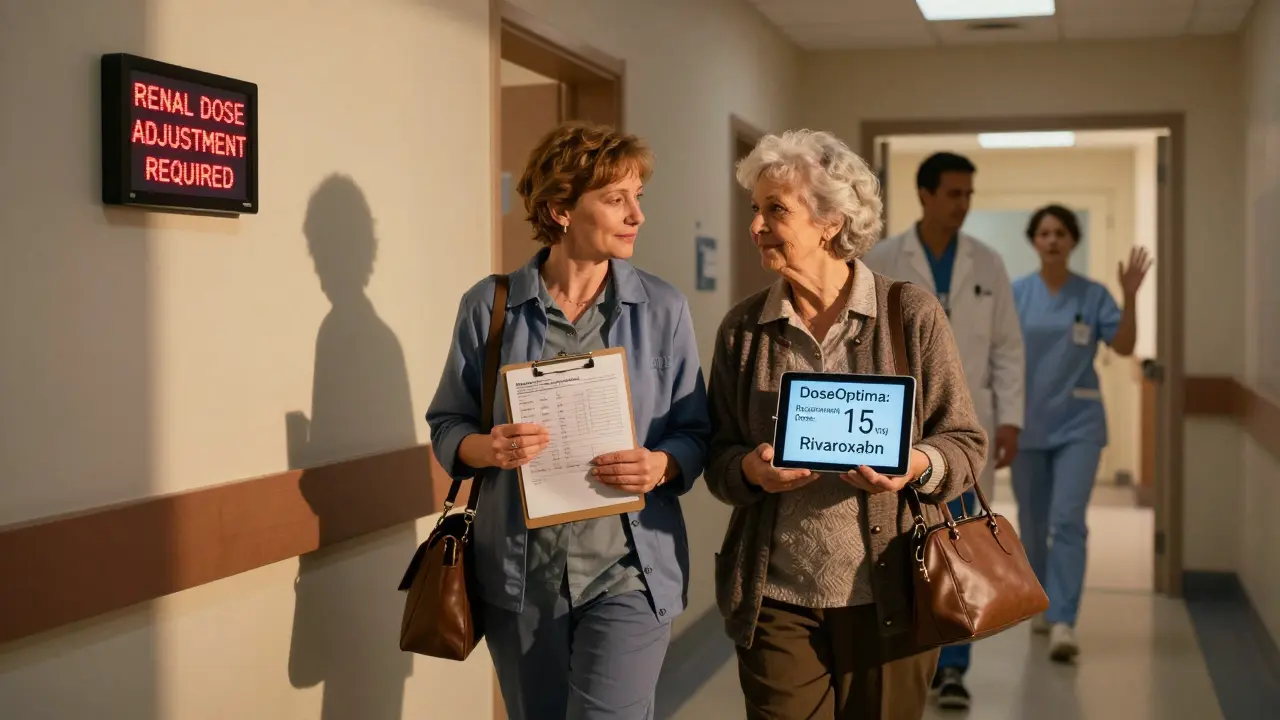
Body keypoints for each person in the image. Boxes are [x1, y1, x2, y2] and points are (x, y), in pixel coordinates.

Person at [426, 121, 711, 720]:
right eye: (615, 199)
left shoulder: (663, 308)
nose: (636, 215)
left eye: (638, 197)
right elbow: (449, 423)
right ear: (559, 208)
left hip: (630, 570)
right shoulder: (491, 305)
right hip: (520, 576)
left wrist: (659, 464)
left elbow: (694, 433)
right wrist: (488, 448)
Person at [705, 129, 987, 720]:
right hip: (775, 597)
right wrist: (751, 470)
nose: (755, 225)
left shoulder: (909, 313)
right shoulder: (744, 330)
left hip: (891, 593)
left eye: (775, 210)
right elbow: (718, 459)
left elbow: (963, 443)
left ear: (831, 220)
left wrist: (914, 466)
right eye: (755, 210)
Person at [862, 151, 1025, 710]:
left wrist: (1010, 419)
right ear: (925, 195)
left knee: (968, 542)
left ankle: (954, 663)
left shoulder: (988, 263)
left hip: (967, 423)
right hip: (899, 424)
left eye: (968, 195)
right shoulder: (884, 257)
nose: (963, 204)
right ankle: (917, 649)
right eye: (953, 193)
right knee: (914, 536)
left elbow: (1007, 348)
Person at [1011, 204, 1150, 663]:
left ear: (1073, 241)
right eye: (1045, 233)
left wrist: (1131, 298)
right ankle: (1042, 601)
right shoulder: (1017, 295)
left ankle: (1064, 619)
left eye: (1061, 233)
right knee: (1032, 525)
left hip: (1079, 425)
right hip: (1027, 424)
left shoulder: (1093, 296)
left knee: (1067, 520)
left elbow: (1125, 346)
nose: (1052, 240)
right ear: (1034, 241)